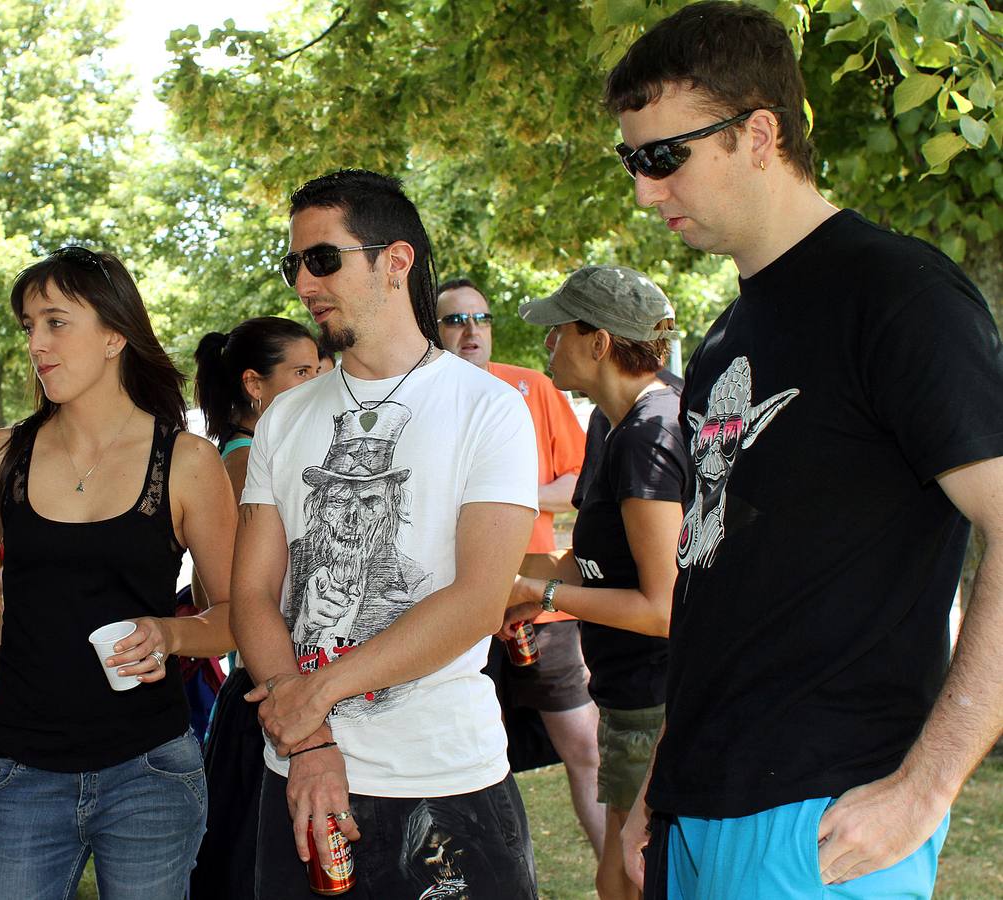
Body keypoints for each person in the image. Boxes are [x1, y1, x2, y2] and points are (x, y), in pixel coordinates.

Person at [605, 3, 1003, 896]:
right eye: (631, 161)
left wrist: (924, 789)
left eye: (664, 156)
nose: (643, 190)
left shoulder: (896, 293)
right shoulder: (721, 341)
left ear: (757, 134)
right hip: (694, 808)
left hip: (824, 818)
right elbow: (718, 584)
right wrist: (657, 783)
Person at [233, 169, 540, 899]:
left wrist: (315, 694)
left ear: (394, 261)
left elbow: (476, 601)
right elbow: (250, 591)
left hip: (444, 778)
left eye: (322, 259)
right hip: (301, 780)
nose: (304, 284)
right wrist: (309, 740)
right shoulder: (285, 417)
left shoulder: (488, 408)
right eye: (294, 265)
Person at [0, 246, 237, 900]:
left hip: (150, 771)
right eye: (28, 326)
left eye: (56, 322)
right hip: (23, 769)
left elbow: (233, 618)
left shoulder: (188, 462)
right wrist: (3, 688)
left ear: (114, 334)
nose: (36, 343)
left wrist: (169, 636)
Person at [499, 265, 692, 900]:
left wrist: (540, 596)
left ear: (600, 342)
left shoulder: (653, 433)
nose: (546, 345)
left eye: (558, 331)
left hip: (661, 701)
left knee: (628, 880)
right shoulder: (611, 424)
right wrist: (492, 576)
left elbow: (664, 607)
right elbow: (591, 563)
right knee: (617, 879)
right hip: (625, 694)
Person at [436, 276, 604, 856]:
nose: (470, 331)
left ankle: (619, 879)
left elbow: (581, 484)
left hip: (536, 601)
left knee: (584, 746)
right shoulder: (419, 398)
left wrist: (503, 498)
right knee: (477, 759)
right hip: (452, 609)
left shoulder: (531, 387)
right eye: (455, 320)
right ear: (433, 333)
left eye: (480, 319)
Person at [189, 316, 319, 900]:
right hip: (273, 686)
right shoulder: (245, 463)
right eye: (302, 372)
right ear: (253, 385)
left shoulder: (264, 453)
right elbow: (238, 594)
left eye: (320, 370)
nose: (319, 383)